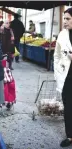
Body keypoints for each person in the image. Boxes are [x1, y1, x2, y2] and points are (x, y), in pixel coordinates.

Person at [54, 7, 72, 147]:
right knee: (68, 106)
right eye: (64, 18)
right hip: (67, 76)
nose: (65, 21)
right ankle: (70, 136)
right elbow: (57, 55)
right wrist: (57, 72)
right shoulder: (62, 34)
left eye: (68, 19)